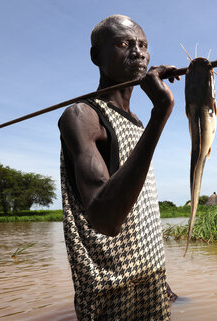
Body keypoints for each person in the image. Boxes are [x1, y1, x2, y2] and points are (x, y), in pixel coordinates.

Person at [58, 14, 179, 320]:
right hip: (111, 294)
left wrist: (163, 285)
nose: (137, 52)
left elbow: (141, 214)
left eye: (143, 45)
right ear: (97, 56)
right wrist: (161, 112)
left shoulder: (136, 121)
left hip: (151, 281)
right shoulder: (83, 116)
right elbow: (105, 219)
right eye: (124, 44)